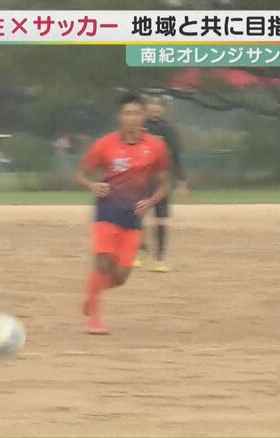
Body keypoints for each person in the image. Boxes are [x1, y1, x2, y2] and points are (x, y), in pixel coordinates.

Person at [76, 93, 170, 335]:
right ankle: (94, 320)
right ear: (119, 117)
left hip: (133, 218)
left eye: (136, 113)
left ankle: (93, 295)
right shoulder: (104, 145)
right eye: (127, 113)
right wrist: (93, 185)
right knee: (104, 262)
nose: (132, 118)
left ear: (143, 116)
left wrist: (150, 201)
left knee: (120, 277)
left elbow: (164, 184)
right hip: (107, 212)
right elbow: (80, 174)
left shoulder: (155, 147)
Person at [136, 94, 188, 273]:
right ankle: (141, 250)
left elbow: (176, 156)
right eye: (152, 105)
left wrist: (181, 180)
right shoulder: (139, 128)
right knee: (137, 215)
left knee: (161, 219)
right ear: (146, 108)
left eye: (158, 105)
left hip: (161, 181)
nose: (155, 108)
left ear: (163, 109)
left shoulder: (168, 130)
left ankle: (160, 259)